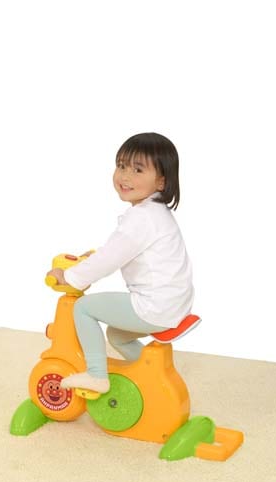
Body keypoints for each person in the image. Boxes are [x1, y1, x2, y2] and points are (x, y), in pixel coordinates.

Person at [46, 132, 194, 395]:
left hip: (153, 307)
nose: (125, 176)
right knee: (117, 335)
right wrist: (91, 259)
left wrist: (70, 277)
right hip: (173, 304)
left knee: (83, 308)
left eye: (138, 170)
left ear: (161, 180)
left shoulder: (141, 218)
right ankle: (150, 375)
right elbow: (118, 250)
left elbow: (109, 259)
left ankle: (96, 376)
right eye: (121, 166)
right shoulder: (155, 212)